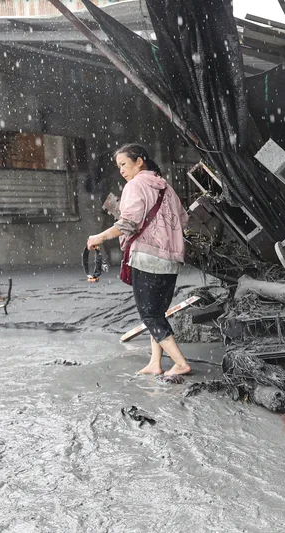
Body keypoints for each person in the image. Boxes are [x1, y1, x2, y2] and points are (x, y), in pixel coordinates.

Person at [87, 144, 192, 376]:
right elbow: (183, 220)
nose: (121, 170)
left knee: (150, 314)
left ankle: (180, 363)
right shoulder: (166, 187)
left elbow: (128, 223)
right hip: (171, 258)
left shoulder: (135, 186)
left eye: (124, 164)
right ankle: (156, 363)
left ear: (139, 162)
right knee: (158, 311)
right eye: (119, 166)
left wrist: (100, 237)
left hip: (147, 258)